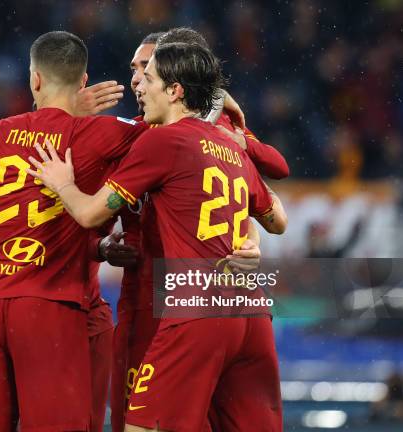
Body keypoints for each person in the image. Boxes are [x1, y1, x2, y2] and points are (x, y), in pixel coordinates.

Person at [27, 42, 287, 431]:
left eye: (148, 77)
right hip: (251, 310)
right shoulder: (231, 146)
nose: (139, 86)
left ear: (175, 90)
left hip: (194, 305)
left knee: (141, 425)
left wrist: (63, 184)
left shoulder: (161, 140)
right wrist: (253, 240)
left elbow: (89, 212)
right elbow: (277, 218)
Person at [0, 31, 149, 431]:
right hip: (51, 306)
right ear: (82, 82)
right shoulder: (104, 133)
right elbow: (176, 131)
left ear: (35, 80)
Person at [108, 28, 290, 432]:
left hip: (185, 299)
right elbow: (267, 199)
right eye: (134, 69)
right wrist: (102, 245)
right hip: (154, 293)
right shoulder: (138, 131)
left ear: (175, 82)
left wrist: (249, 235)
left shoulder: (186, 134)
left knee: (147, 421)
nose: (136, 79)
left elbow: (274, 172)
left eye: (146, 69)